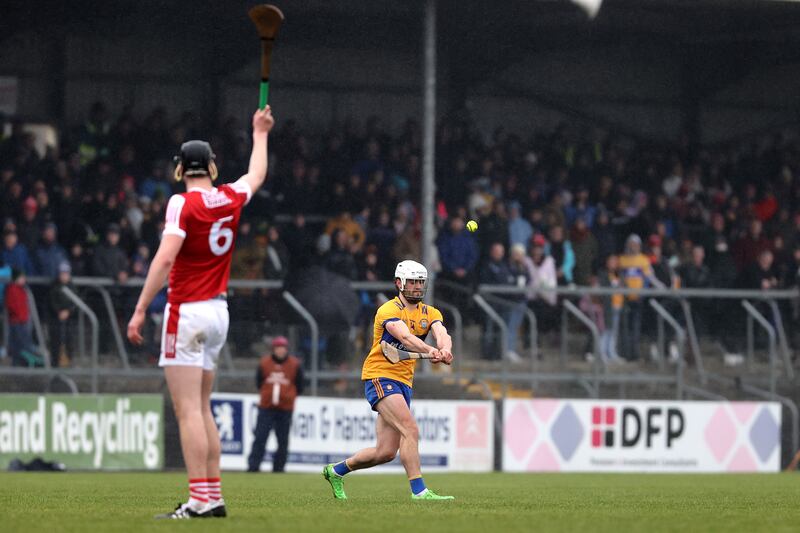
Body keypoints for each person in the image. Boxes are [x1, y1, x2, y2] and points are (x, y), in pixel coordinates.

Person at [126, 106, 275, 519]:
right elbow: (256, 176)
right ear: (211, 166)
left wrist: (140, 309)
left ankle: (200, 500)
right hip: (218, 312)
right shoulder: (228, 197)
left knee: (188, 409)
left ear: (179, 169)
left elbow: (163, 259)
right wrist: (259, 134)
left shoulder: (181, 205)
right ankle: (213, 495)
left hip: (187, 312)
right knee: (203, 406)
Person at [322, 260, 455, 501]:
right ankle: (419, 491)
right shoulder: (388, 310)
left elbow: (442, 333)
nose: (417, 287)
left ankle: (335, 471)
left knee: (384, 453)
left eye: (420, 282)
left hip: (404, 381)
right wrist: (429, 350)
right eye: (412, 282)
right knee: (410, 429)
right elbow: (404, 337)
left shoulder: (431, 313)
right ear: (399, 283)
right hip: (380, 376)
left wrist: (444, 349)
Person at [247, 336, 305, 473]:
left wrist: (288, 396)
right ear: (273, 349)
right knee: (260, 437)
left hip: (285, 410)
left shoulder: (294, 364)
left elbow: (300, 385)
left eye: (283, 348)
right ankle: (253, 466)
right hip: (266, 408)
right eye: (278, 348)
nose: (280, 351)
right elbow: (259, 382)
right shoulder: (264, 363)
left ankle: (279, 468)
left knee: (282, 440)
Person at [48, 261, 76, 367]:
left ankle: (68, 361)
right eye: (62, 273)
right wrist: (58, 311)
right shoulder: (54, 286)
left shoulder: (72, 287)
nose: (64, 276)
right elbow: (52, 301)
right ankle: (55, 363)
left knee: (69, 340)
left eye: (66, 273)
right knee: (56, 341)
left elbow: (75, 303)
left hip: (69, 319)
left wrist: (68, 311)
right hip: (56, 319)